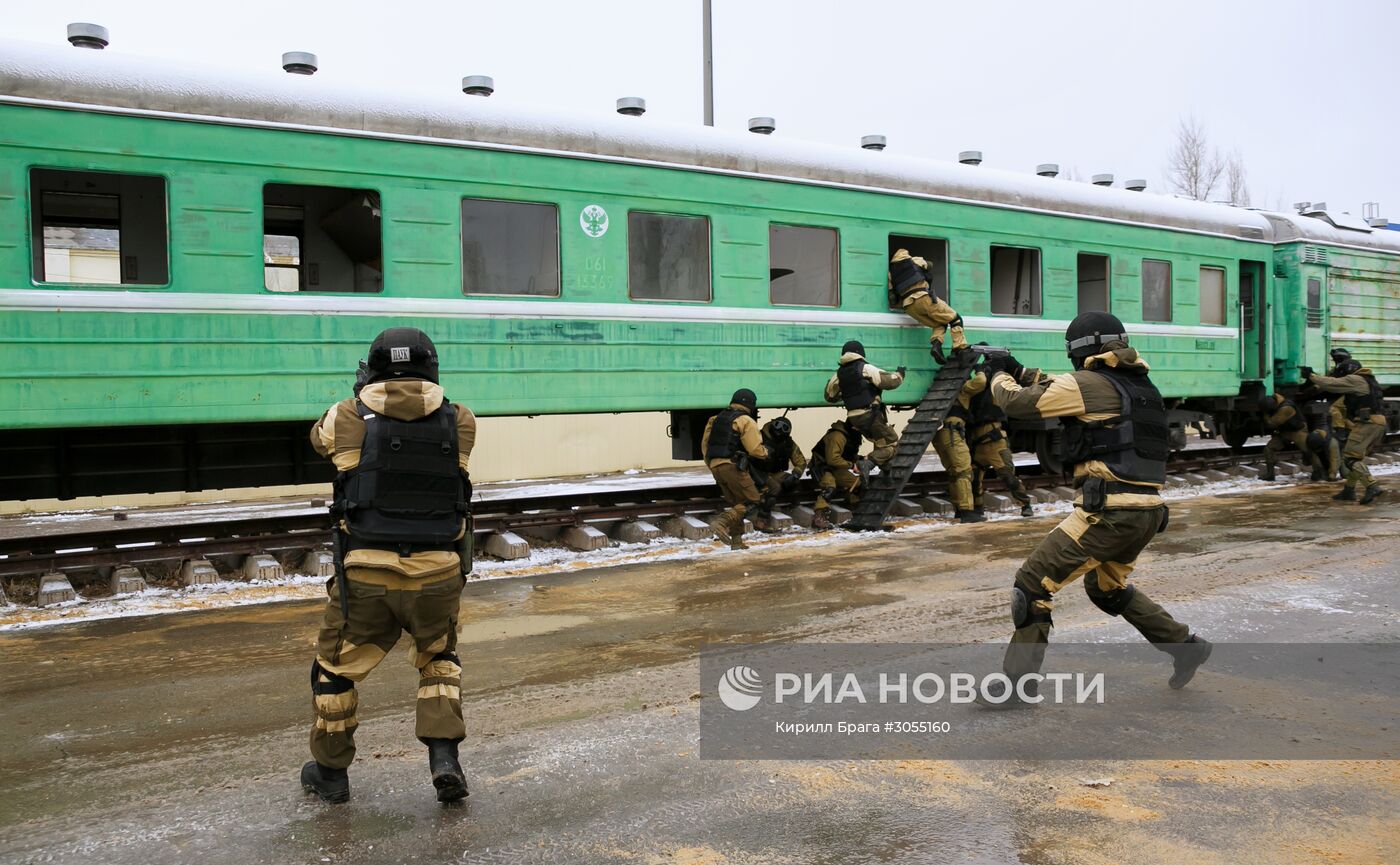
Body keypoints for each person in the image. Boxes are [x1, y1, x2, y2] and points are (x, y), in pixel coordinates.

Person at [979, 312, 1211, 707]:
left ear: (1080, 351)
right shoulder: (1141, 386)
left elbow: (1016, 402)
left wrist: (998, 374)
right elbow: (1061, 385)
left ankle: (1017, 688)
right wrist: (1019, 368)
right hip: (1148, 512)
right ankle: (1184, 646)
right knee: (1107, 589)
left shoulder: (1088, 384)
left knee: (1032, 585)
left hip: (1109, 513)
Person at [302, 327, 475, 804]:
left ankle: (331, 774)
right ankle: (444, 758)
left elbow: (318, 441)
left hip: (366, 576)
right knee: (438, 661)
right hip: (439, 572)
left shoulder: (345, 416)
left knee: (334, 671)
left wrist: (359, 396)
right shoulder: (461, 419)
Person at [1302, 358, 1387, 504]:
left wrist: (1311, 376)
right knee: (1356, 458)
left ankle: (1372, 486)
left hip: (1367, 423)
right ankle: (1349, 490)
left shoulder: (1355, 379)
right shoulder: (1369, 381)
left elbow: (1332, 384)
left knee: (1350, 459)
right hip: (1377, 422)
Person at [701, 389, 770, 549]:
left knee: (739, 505)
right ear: (751, 405)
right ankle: (721, 522)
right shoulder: (745, 421)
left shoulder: (715, 419)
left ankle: (737, 542)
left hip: (715, 466)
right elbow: (754, 449)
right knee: (753, 501)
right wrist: (766, 452)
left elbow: (705, 446)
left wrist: (713, 465)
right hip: (732, 466)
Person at [824, 340, 904, 471]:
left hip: (854, 420)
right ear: (860, 353)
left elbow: (829, 396)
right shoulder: (865, 368)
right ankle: (867, 463)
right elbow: (890, 382)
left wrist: (846, 393)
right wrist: (900, 374)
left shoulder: (838, 374)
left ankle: (886, 472)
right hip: (871, 416)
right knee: (892, 445)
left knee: (880, 442)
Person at [965, 370, 1035, 517]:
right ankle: (978, 509)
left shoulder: (990, 390)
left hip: (994, 441)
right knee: (974, 480)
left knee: (1008, 476)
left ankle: (1025, 504)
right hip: (977, 444)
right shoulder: (972, 392)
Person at [888, 248, 969, 363]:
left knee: (940, 323)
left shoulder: (891, 273)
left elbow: (892, 297)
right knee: (956, 319)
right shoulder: (914, 260)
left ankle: (936, 345)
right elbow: (929, 265)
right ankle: (959, 347)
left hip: (909, 307)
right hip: (923, 298)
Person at [937, 369, 987, 523]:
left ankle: (959, 509)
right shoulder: (962, 388)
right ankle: (966, 510)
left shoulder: (941, 390)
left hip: (940, 434)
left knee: (954, 472)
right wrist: (981, 370)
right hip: (953, 432)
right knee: (964, 470)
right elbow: (981, 382)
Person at [746, 416, 807, 532]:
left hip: (774, 473)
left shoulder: (788, 443)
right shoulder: (759, 437)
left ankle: (771, 500)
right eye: (778, 425)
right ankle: (761, 520)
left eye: (785, 428)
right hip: (756, 472)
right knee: (775, 487)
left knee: (794, 482)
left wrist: (795, 475)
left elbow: (801, 461)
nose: (780, 430)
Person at [1258, 393, 1326, 482]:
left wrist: (1265, 415)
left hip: (1298, 431)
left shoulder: (1286, 407)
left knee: (1308, 450)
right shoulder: (1278, 405)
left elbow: (1272, 423)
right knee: (1268, 449)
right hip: (1285, 432)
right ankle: (1270, 474)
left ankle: (1319, 471)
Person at [809, 419, 863, 530]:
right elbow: (833, 459)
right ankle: (819, 517)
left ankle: (851, 505)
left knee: (857, 484)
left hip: (836, 468)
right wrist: (852, 466)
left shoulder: (852, 436)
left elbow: (848, 455)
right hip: (821, 467)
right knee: (830, 487)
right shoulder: (837, 436)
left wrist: (861, 460)